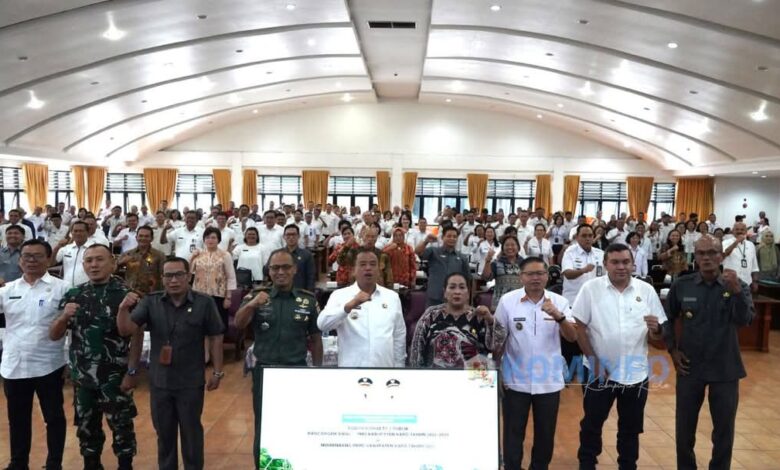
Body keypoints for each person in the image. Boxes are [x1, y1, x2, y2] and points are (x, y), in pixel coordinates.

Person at [117, 257, 224, 470]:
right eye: (168, 276)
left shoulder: (204, 302)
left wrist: (217, 371)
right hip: (160, 382)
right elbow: (126, 330)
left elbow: (216, 336)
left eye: (178, 275)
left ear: (188, 276)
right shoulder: (151, 302)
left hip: (190, 381)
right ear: (162, 278)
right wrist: (122, 309)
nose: (173, 280)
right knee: (164, 435)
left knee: (191, 434)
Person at [571, 244, 667, 470]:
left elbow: (657, 336)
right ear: (605, 264)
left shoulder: (646, 290)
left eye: (626, 262)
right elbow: (579, 328)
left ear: (633, 264)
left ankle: (627, 465)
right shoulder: (590, 289)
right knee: (592, 423)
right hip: (599, 372)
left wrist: (656, 330)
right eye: (615, 262)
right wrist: (593, 361)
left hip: (636, 373)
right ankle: (587, 464)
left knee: (631, 428)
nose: (621, 267)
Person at [665, 236, 755, 470]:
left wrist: (737, 293)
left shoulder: (736, 284)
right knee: (684, 429)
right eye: (701, 253)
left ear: (721, 256)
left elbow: (745, 320)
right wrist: (672, 350)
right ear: (694, 257)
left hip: (725, 368)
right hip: (690, 366)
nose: (707, 258)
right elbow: (667, 318)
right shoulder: (681, 285)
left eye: (712, 252)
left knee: (724, 430)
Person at [49, 244, 142, 470]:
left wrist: (132, 371)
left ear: (112, 263)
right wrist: (63, 317)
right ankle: (91, 464)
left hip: (115, 377)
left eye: (100, 259)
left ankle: (125, 465)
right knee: (87, 428)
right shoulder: (74, 294)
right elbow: (54, 335)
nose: (94, 265)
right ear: (83, 265)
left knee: (121, 427)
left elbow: (136, 336)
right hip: (83, 378)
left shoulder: (127, 295)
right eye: (89, 260)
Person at [234, 249, 323, 469]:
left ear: (294, 270)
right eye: (275, 268)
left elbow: (316, 339)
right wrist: (252, 304)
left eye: (285, 267)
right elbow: (238, 323)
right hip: (265, 372)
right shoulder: (256, 296)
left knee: (297, 426)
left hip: (296, 371)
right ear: (269, 271)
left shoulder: (307, 300)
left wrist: (318, 373)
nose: (280, 272)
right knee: (264, 426)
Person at [492, 256, 578, 470]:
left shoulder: (559, 302)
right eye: (530, 274)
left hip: (548, 381)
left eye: (540, 273)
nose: (535, 278)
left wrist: (558, 316)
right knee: (513, 433)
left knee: (545, 435)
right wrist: (497, 371)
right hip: (515, 379)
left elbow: (572, 337)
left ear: (547, 276)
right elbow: (498, 339)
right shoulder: (508, 301)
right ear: (521, 276)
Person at [1, 240, 70, 470]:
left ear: (48, 259)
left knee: (54, 417)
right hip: (14, 365)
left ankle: (54, 463)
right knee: (17, 419)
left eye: (38, 256)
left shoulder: (63, 288)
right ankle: (18, 462)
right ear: (20, 261)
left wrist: (69, 360)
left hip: (48, 364)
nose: (31, 260)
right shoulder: (8, 290)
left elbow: (71, 327)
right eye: (27, 256)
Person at [318, 249, 406, 367]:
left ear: (379, 270)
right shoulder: (339, 295)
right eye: (363, 264)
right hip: (351, 369)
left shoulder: (392, 297)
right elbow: (323, 325)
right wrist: (348, 307)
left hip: (384, 369)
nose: (368, 268)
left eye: (373, 264)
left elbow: (399, 335)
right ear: (353, 270)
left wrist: (399, 367)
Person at [409, 273, 493, 367]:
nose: (457, 292)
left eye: (462, 287)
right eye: (452, 287)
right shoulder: (430, 315)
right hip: (434, 374)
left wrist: (490, 320)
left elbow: (494, 347)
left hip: (470, 374)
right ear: (445, 292)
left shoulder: (479, 316)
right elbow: (416, 350)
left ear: (468, 293)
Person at [190, 227, 237, 334]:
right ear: (204, 239)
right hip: (200, 294)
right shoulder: (198, 254)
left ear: (218, 240)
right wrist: (192, 257)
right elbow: (189, 272)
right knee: (201, 326)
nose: (210, 240)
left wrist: (228, 297)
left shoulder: (225, 255)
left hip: (218, 295)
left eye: (213, 237)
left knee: (218, 326)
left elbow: (231, 277)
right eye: (207, 237)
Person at [416, 226, 471, 307]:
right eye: (449, 236)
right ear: (442, 237)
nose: (452, 238)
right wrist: (426, 241)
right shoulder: (433, 251)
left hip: (454, 298)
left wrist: (466, 299)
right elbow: (417, 252)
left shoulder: (462, 257)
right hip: (434, 296)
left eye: (454, 237)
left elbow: (467, 279)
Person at [117, 225, 165, 294]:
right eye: (141, 236)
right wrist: (120, 263)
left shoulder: (159, 255)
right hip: (130, 293)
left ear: (152, 239)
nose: (143, 238)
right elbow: (114, 271)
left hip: (151, 294)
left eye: (146, 236)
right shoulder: (127, 254)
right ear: (136, 237)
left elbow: (164, 275)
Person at [482, 235, 524, 310]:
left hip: (520, 302)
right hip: (500, 303)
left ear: (518, 248)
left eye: (513, 245)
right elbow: (486, 277)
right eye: (507, 245)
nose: (510, 247)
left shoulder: (524, 263)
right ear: (503, 248)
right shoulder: (496, 263)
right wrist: (487, 261)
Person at [52, 220, 95, 287]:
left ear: (87, 232)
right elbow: (51, 263)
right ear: (71, 233)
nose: (78, 233)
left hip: (87, 288)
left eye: (81, 231)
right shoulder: (66, 248)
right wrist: (57, 247)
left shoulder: (94, 249)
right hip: (67, 287)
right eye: (75, 231)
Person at [722, 222, 759, 292]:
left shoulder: (751, 245)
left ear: (746, 231)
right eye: (737, 229)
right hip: (729, 284)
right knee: (726, 298)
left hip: (746, 284)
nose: (739, 231)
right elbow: (724, 254)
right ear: (733, 231)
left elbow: (754, 266)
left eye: (742, 229)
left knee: (746, 299)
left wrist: (755, 282)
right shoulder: (725, 242)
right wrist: (736, 242)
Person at [279, 224, 316, 292]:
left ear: (298, 236)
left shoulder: (306, 255)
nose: (291, 237)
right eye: (288, 235)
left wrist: (309, 293)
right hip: (281, 292)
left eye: (293, 234)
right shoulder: (278, 254)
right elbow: (267, 270)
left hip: (300, 292)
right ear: (284, 236)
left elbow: (311, 277)